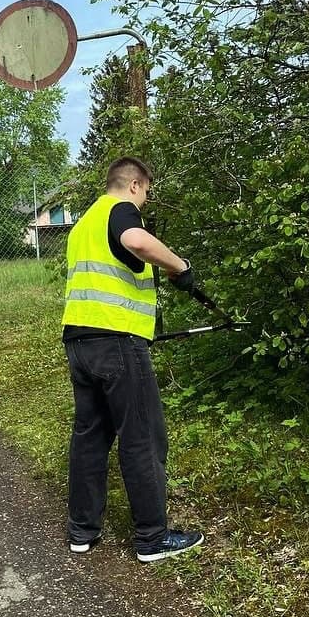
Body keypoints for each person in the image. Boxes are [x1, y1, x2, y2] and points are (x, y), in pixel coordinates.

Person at [62, 157, 204, 564]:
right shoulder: (120, 210)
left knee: (90, 436)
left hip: (80, 340)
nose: (145, 201)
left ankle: (82, 532)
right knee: (142, 435)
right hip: (117, 341)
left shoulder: (84, 222)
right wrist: (181, 268)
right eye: (147, 193)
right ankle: (152, 538)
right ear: (135, 186)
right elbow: (137, 242)